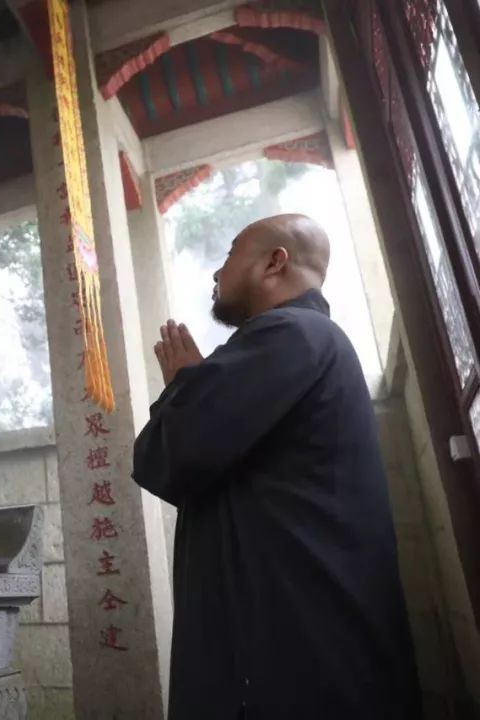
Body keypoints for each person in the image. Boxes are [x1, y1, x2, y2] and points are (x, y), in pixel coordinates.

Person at [132, 215, 420, 719]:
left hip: (288, 663)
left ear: (274, 262)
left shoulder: (288, 334)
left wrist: (182, 386)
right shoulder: (312, 340)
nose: (216, 273)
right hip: (310, 650)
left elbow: (167, 456)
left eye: (229, 254)